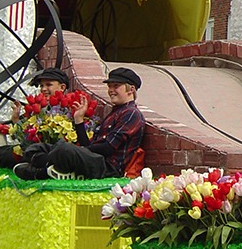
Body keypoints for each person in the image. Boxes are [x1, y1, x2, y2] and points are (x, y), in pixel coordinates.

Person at [13, 67, 145, 181]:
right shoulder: (115, 112)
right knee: (37, 148)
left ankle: (41, 172)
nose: (111, 90)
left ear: (131, 89)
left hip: (107, 168)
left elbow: (107, 148)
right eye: (110, 86)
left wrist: (78, 151)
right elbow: (87, 145)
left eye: (116, 86)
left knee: (64, 149)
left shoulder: (132, 114)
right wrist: (79, 120)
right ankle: (55, 169)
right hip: (93, 159)